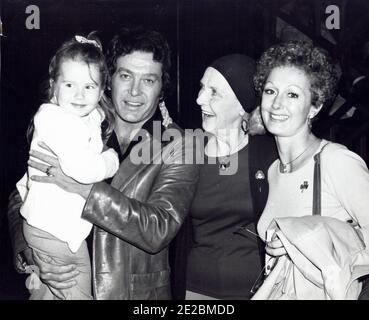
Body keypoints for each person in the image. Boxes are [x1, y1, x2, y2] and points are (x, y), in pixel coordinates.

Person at [7, 27, 199, 300]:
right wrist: (35, 254)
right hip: (58, 279)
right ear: (108, 80)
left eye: (148, 80)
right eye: (125, 76)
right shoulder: (79, 119)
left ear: (162, 87)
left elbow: (159, 228)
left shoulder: (180, 144)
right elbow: (21, 194)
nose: (134, 91)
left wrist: (83, 189)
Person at [253, 41, 369, 299]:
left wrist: (308, 243)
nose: (277, 104)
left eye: (292, 94)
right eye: (270, 91)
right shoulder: (273, 170)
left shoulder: (335, 161)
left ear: (315, 107)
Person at [15, 34, 119, 300]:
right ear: (53, 86)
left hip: (48, 228)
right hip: (56, 234)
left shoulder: (85, 117)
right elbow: (83, 170)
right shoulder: (55, 119)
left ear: (102, 89)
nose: (79, 95)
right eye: (70, 84)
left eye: (89, 86)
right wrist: (110, 160)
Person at [171, 54, 277, 300]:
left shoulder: (268, 155)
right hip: (194, 289)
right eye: (201, 88)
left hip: (255, 292)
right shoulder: (187, 152)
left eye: (214, 92)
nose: (199, 99)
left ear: (242, 106)